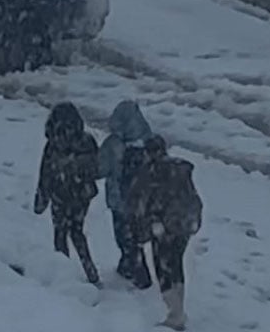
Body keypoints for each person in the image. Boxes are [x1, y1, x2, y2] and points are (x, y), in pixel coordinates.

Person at [126, 135, 203, 331]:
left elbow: (140, 202)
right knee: (176, 265)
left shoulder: (150, 172)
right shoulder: (179, 169)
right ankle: (179, 309)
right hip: (183, 225)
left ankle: (175, 315)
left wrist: (141, 230)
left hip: (162, 227)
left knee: (163, 269)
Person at [34, 102, 101, 285]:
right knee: (77, 232)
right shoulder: (86, 141)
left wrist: (41, 200)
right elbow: (97, 169)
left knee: (60, 233)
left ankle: (64, 274)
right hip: (81, 196)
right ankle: (91, 273)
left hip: (59, 195)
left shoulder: (53, 145)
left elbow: (45, 173)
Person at [97, 100, 154, 288]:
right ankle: (128, 265)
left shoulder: (113, 144)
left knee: (123, 237)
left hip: (119, 201)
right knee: (136, 236)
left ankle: (138, 273)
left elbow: (100, 169)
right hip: (143, 201)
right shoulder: (150, 141)